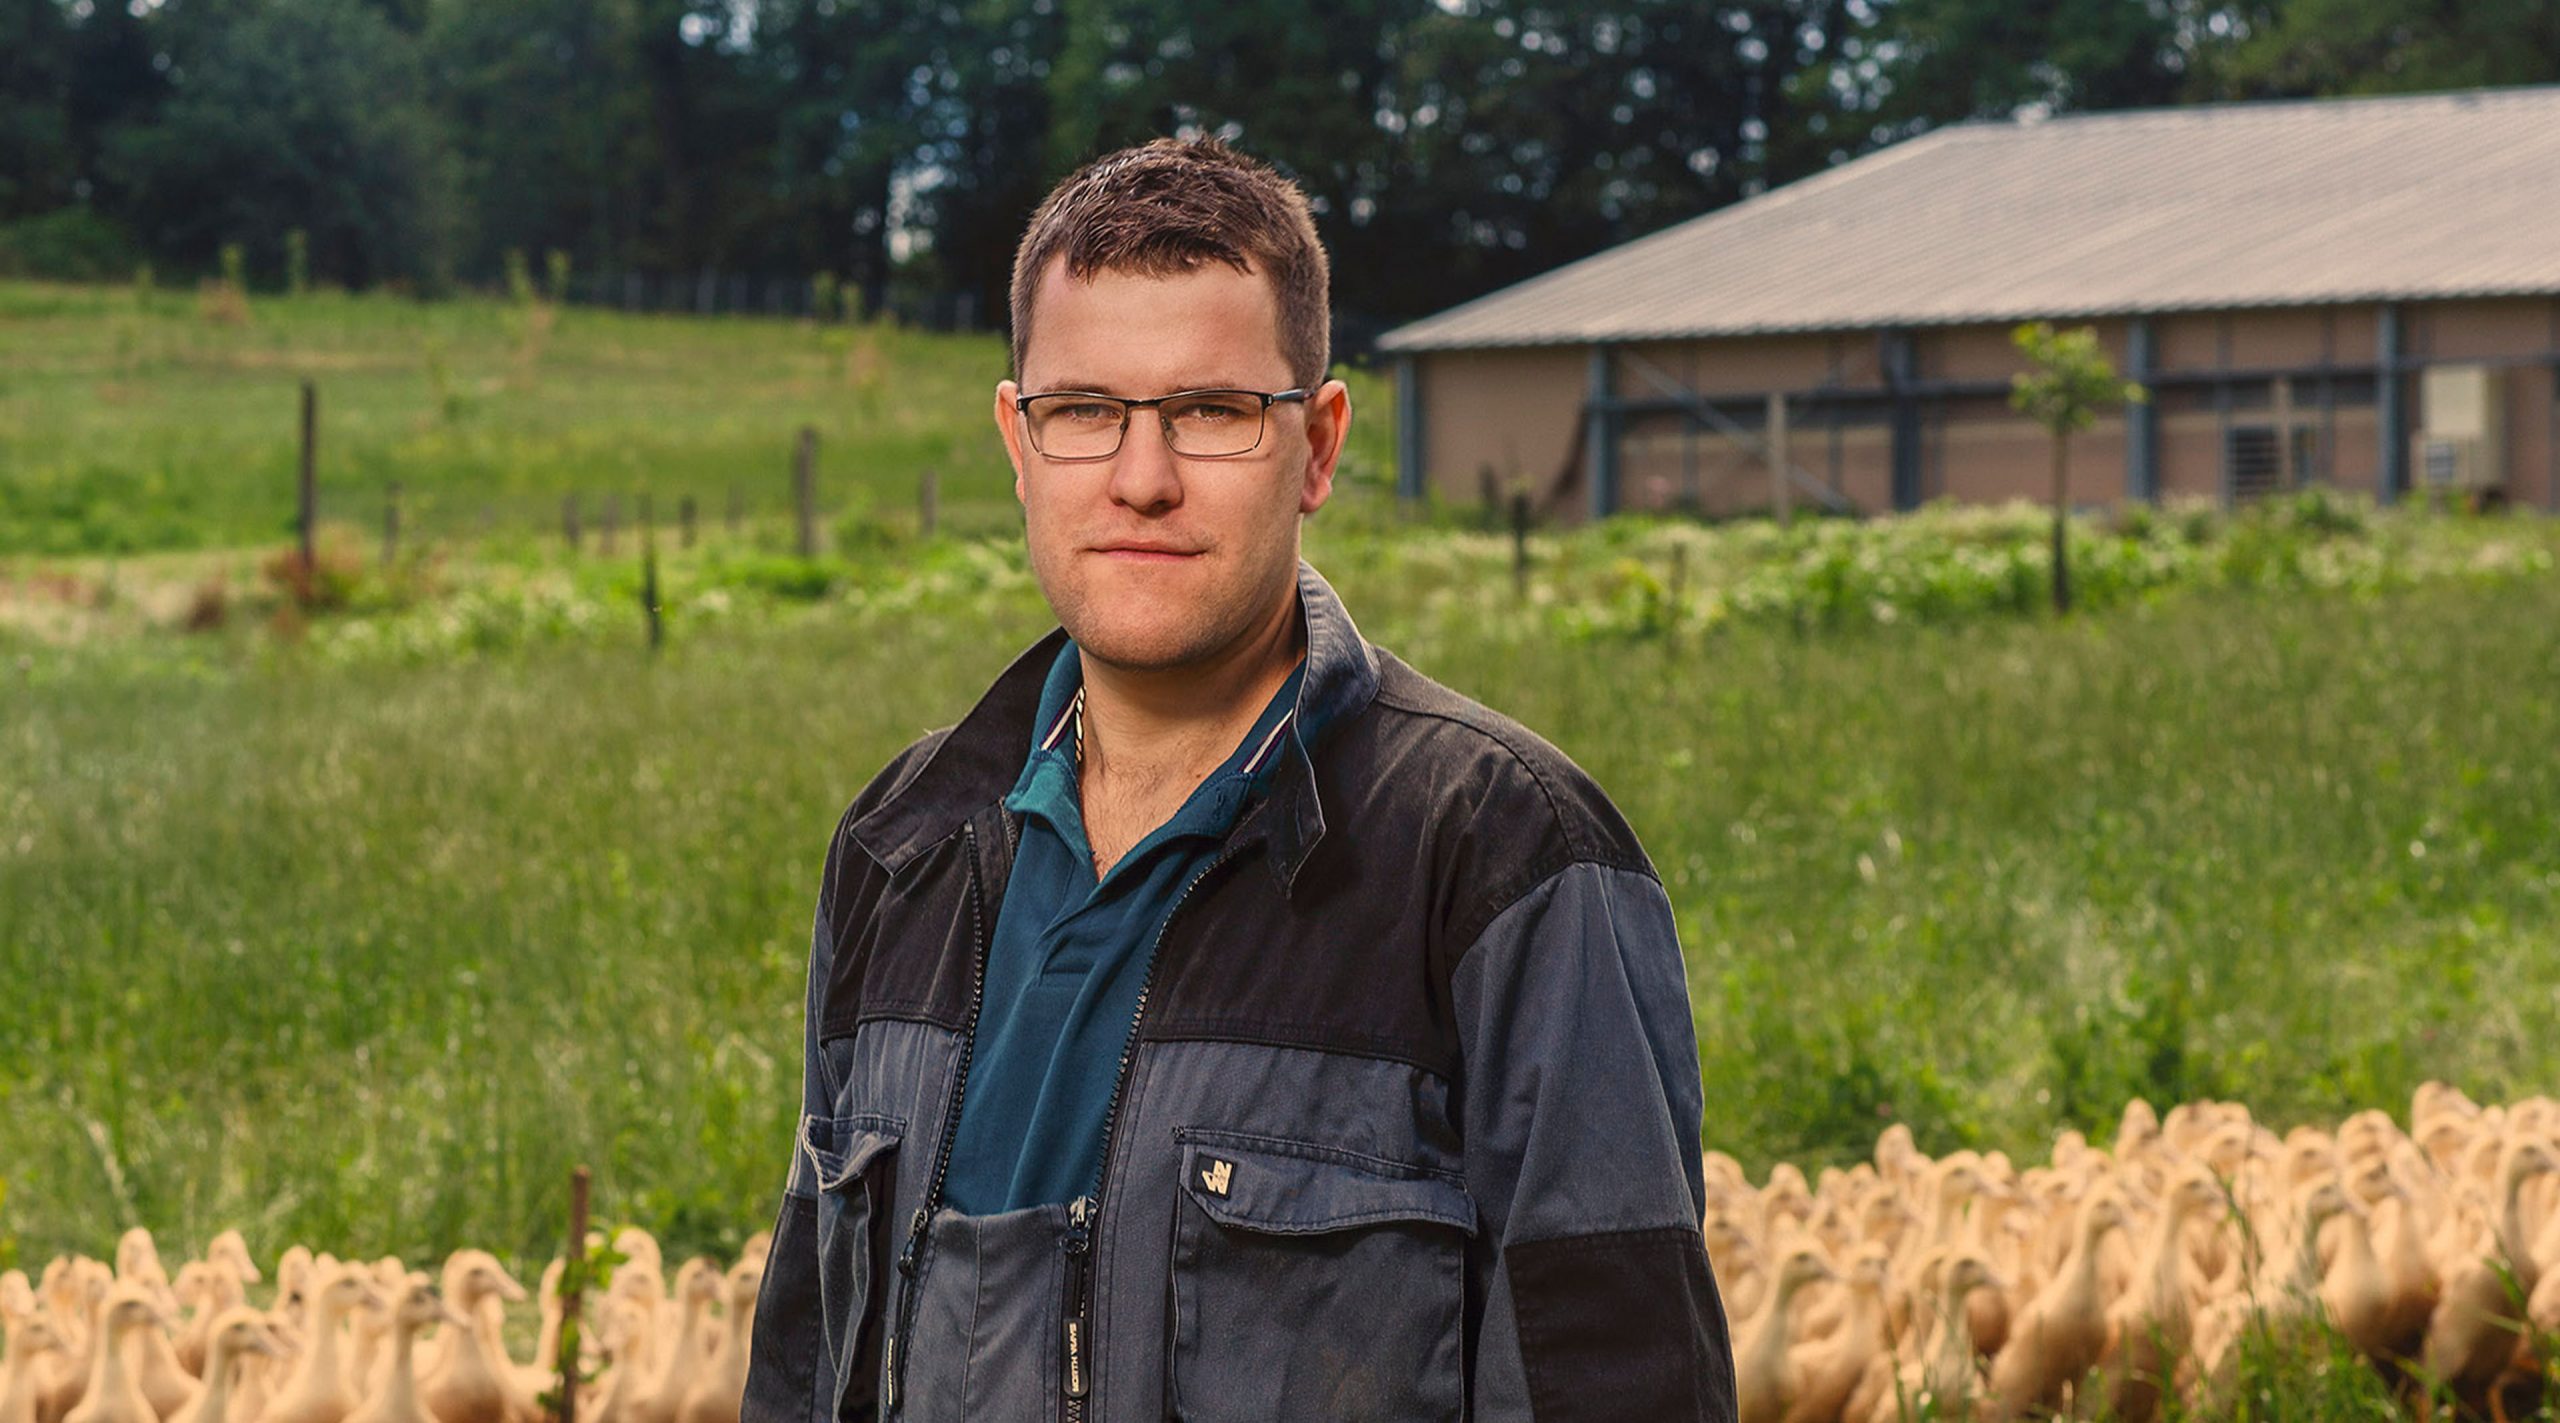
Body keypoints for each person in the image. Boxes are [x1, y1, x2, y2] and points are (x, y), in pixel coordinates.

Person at [742, 136, 1734, 1423]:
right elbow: (804, 1368)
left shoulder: (1501, 856)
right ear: (1016, 439)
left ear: (1316, 446)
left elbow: (1618, 1384)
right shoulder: (902, 848)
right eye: (1083, 411)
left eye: (1210, 412)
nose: (1140, 478)